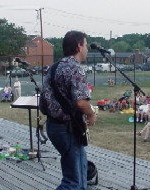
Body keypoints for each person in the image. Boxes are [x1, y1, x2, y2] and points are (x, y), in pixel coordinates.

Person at [44, 31, 97, 189]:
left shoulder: (54, 68)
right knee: (73, 182)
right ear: (79, 46)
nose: (87, 48)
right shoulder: (75, 69)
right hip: (67, 129)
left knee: (79, 177)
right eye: (86, 44)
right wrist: (91, 114)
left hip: (54, 126)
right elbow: (81, 102)